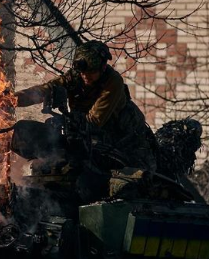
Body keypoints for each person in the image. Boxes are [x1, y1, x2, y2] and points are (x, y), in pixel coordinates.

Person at [15, 40, 157, 171]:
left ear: (103, 67)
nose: (85, 76)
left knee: (135, 181)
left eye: (91, 72)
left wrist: (66, 120)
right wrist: (12, 99)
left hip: (127, 143)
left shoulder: (113, 82)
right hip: (92, 139)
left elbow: (94, 121)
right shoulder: (74, 77)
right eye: (83, 73)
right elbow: (45, 90)